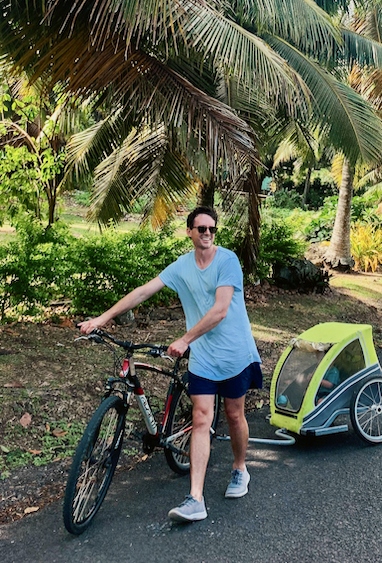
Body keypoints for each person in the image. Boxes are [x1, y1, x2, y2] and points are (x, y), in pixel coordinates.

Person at [78, 206, 262, 523]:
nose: (206, 233)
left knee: (234, 415)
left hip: (234, 354)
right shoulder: (182, 266)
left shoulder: (227, 261)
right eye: (200, 228)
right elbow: (143, 291)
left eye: (211, 229)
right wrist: (102, 318)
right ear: (189, 232)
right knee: (202, 419)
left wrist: (185, 339)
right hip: (203, 358)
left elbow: (220, 310)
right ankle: (195, 499)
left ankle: (239, 468)